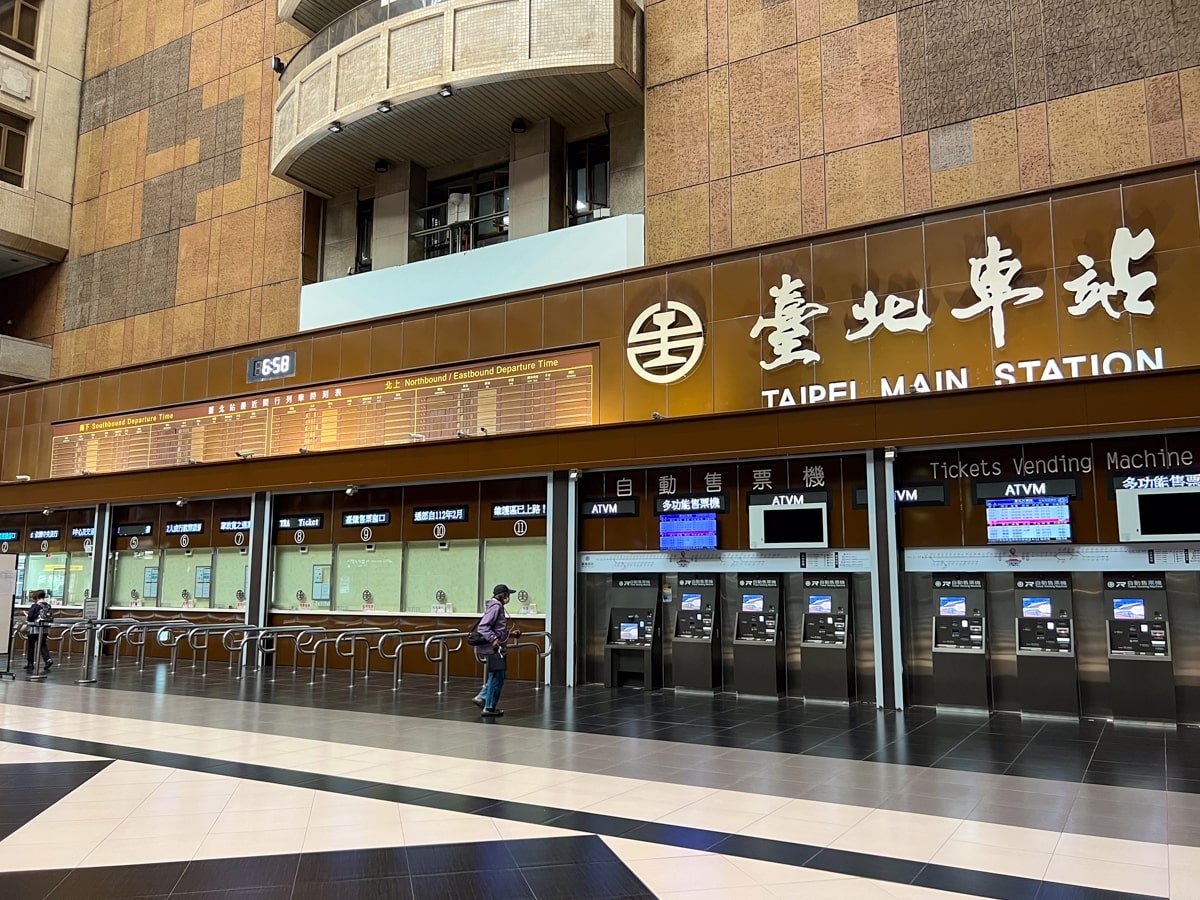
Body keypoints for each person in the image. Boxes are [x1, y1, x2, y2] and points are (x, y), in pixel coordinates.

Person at [475, 584, 520, 717]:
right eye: (508, 595)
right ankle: (489, 707)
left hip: (496, 647)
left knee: (495, 675)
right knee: (497, 677)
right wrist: (494, 639)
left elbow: (497, 629)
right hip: (494, 649)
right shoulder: (496, 607)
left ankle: (482, 697)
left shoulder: (496, 607)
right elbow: (483, 627)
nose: (508, 597)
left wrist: (510, 635)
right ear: (503, 595)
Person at [24, 590, 54, 673]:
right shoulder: (48, 605)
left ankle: (30, 663)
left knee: (31, 645)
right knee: (42, 644)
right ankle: (48, 659)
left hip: (34, 628)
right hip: (45, 628)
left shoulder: (35, 605)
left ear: (36, 596)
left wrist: (26, 615)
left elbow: (30, 617)